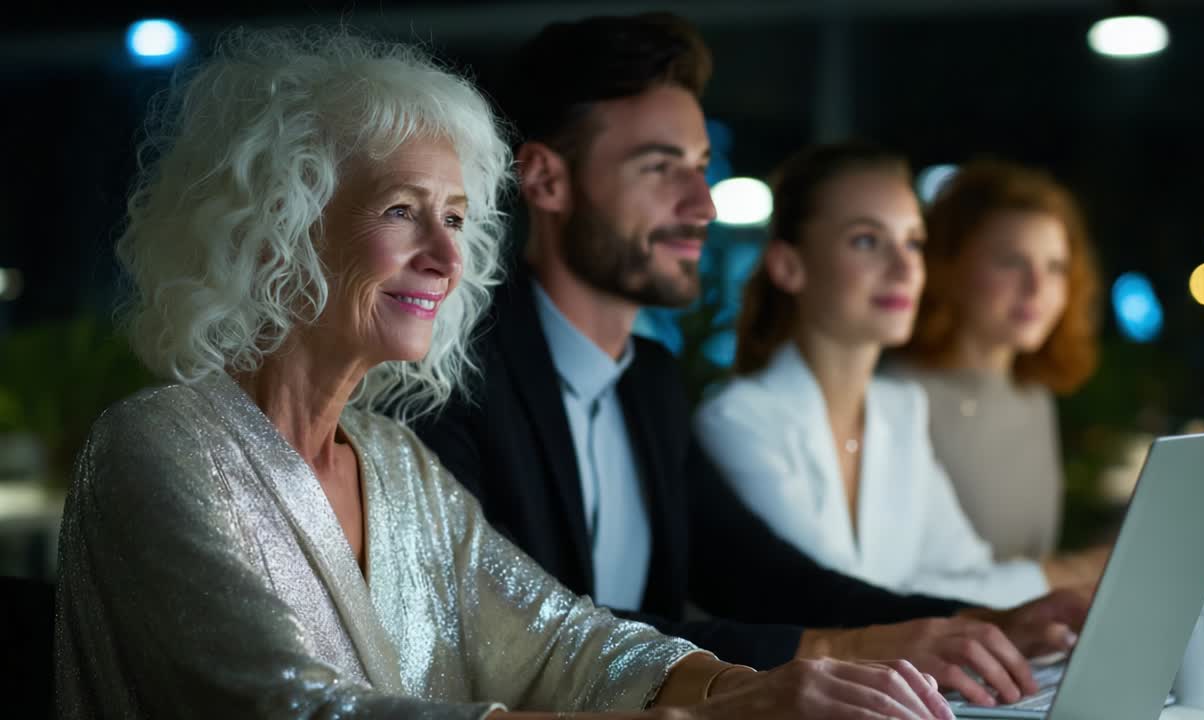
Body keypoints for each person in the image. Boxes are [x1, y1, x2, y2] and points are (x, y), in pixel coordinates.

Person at [52, 26, 956, 720]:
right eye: (403, 211)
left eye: (457, 216)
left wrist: (741, 691)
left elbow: (567, 642)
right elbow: (310, 710)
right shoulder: (158, 447)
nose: (449, 257)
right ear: (279, 227)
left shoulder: (393, 459)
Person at [413, 13, 1087, 709]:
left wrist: (977, 624)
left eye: (701, 168)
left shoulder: (648, 381)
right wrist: (856, 648)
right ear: (547, 182)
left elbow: (767, 577)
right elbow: (528, 634)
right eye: (659, 168)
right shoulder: (452, 379)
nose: (702, 204)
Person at [695, 141, 1101, 610]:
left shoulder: (898, 411)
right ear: (789, 265)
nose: (906, 266)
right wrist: (1088, 569)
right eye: (867, 240)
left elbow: (969, 573)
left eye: (913, 243)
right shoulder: (738, 419)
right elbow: (840, 605)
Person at [895, 159, 1105, 569]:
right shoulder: (895, 397)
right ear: (948, 266)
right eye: (1011, 262)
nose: (1037, 289)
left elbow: (1026, 565)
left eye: (1056, 268)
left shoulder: (1032, 398)